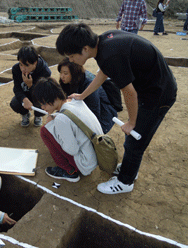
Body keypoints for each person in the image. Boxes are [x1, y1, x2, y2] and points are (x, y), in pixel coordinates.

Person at [56, 23, 177, 194]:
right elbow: (103, 73)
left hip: (158, 94)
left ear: (84, 48)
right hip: (151, 85)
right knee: (133, 140)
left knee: (136, 140)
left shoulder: (110, 55)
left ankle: (125, 182)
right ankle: (129, 168)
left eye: (71, 55)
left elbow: (129, 93)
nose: (70, 60)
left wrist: (132, 122)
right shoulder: (103, 43)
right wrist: (82, 95)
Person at [32, 77, 103, 182]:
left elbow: (72, 150)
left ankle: (69, 171)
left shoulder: (61, 119)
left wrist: (56, 131)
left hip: (85, 164)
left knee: (45, 131)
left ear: (52, 98)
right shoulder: (75, 99)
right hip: (99, 155)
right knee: (55, 128)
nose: (42, 107)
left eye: (43, 103)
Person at [58, 58, 117, 133]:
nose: (62, 76)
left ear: (74, 73)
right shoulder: (68, 81)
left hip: (103, 115)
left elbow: (94, 112)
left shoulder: (89, 85)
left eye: (65, 73)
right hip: (86, 109)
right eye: (61, 72)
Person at [10, 46, 51, 127]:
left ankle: (38, 116)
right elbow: (17, 88)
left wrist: (30, 85)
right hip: (25, 94)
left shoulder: (45, 71)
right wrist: (24, 99)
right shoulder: (16, 69)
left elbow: (43, 93)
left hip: (39, 96)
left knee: (44, 104)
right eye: (21, 64)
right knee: (15, 103)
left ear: (35, 62)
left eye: (26, 65)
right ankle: (25, 114)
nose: (23, 68)